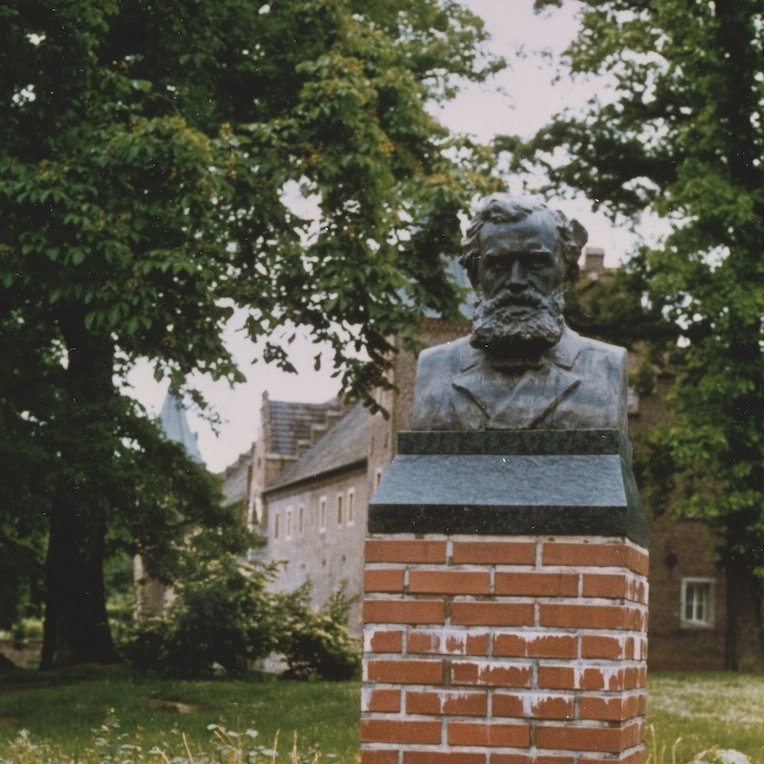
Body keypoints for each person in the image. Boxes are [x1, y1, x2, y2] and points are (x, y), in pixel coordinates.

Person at [411, 195, 628, 432]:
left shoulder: (606, 367)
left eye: (535, 264)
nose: (516, 281)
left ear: (566, 275)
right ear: (475, 276)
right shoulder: (434, 369)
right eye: (498, 265)